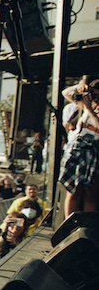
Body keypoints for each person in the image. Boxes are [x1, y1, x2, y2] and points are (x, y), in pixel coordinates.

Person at [60, 75, 99, 217]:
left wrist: (90, 110)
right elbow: (65, 93)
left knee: (90, 192)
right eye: (92, 95)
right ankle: (69, 224)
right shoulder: (86, 104)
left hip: (94, 149)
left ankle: (87, 224)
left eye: (97, 95)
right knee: (73, 190)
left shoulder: (90, 108)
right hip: (78, 148)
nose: (95, 98)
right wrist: (80, 86)